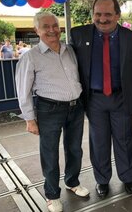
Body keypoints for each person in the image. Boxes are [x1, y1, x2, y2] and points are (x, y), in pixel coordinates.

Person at [15, 12, 89, 212]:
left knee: (74, 149)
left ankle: (72, 182)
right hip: (49, 109)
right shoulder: (30, 57)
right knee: (49, 153)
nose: (51, 30)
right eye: (45, 26)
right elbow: (23, 91)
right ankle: (52, 194)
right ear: (36, 30)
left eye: (54, 26)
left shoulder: (70, 50)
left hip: (76, 107)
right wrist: (29, 119)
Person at [70, 0, 132, 198]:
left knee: (125, 140)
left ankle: (128, 178)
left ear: (117, 15)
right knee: (98, 142)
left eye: (108, 14)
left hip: (121, 97)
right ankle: (102, 180)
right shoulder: (78, 34)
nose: (102, 19)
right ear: (92, 14)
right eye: (98, 14)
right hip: (94, 99)